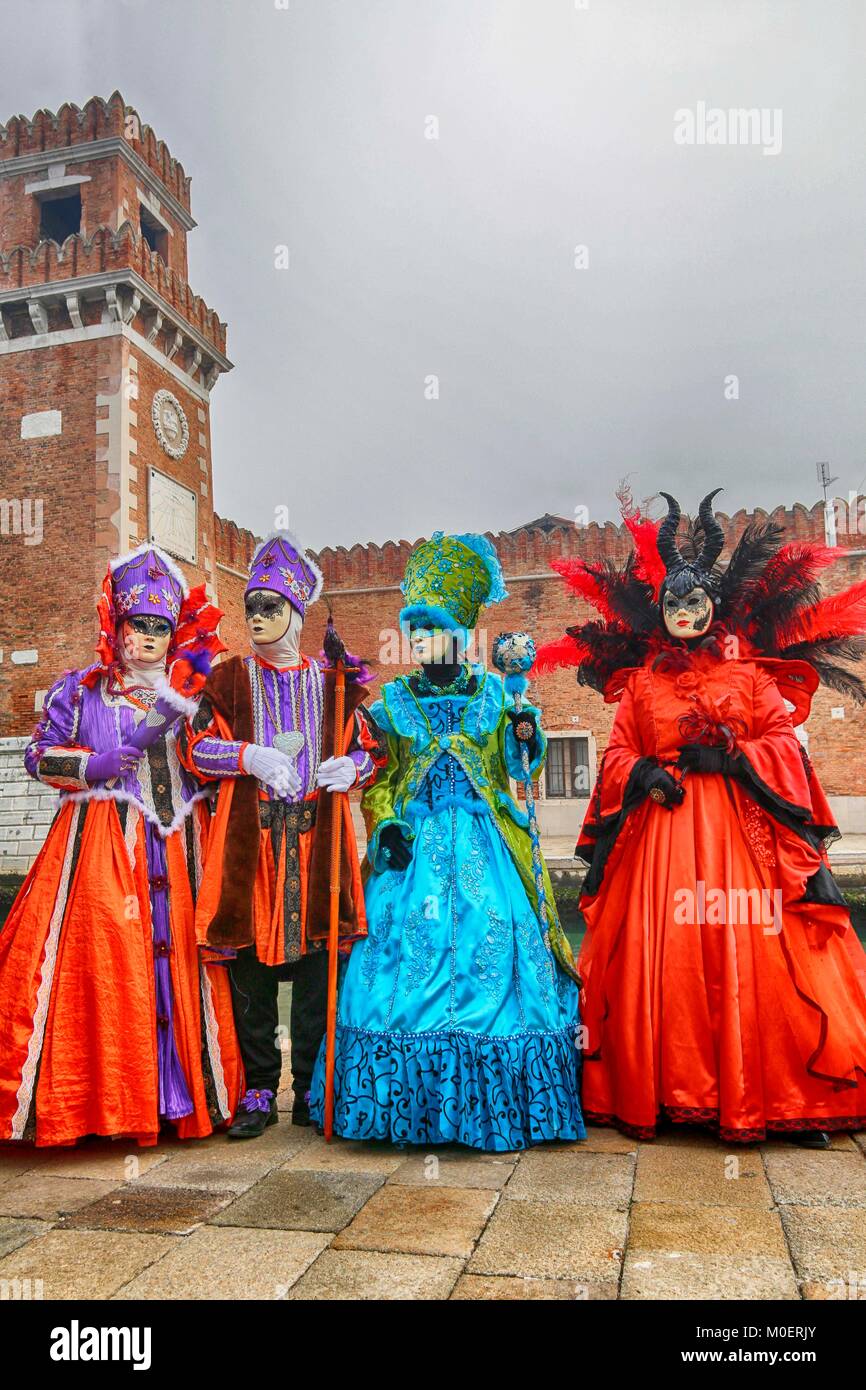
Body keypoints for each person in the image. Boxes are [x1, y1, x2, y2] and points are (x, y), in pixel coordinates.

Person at [537, 488, 866, 1146]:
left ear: (713, 608)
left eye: (695, 602)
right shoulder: (642, 685)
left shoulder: (749, 679)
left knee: (763, 958)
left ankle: (782, 1095)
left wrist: (734, 759)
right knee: (671, 964)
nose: (685, 611)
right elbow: (618, 755)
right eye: (674, 603)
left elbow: (783, 747)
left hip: (742, 840)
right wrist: (645, 774)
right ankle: (664, 1089)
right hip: (662, 841)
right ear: (660, 613)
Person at [309, 531, 585, 1151]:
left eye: (434, 626)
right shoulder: (390, 705)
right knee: (402, 956)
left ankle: (502, 1100)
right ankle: (403, 1107)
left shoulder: (494, 692)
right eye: (415, 627)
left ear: (461, 631)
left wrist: (525, 732)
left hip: (488, 847)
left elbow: (519, 769)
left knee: (495, 945)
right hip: (413, 857)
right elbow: (378, 779)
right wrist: (384, 824)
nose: (423, 639)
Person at [0, 544, 243, 1146]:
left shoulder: (191, 698)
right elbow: (36, 755)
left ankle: (177, 1099)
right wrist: (94, 763)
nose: (152, 638)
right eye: (141, 625)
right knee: (109, 969)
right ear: (118, 625)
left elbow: (205, 761)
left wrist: (244, 756)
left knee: (180, 963)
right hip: (98, 848)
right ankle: (107, 1101)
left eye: (162, 627)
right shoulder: (79, 691)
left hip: (180, 848)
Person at [181, 531, 383, 1136]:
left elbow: (372, 753)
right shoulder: (226, 681)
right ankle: (260, 1092)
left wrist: (354, 768)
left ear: (296, 613)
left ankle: (312, 1087)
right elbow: (194, 748)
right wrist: (245, 756)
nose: (260, 619)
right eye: (252, 609)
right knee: (250, 967)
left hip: (319, 845)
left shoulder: (335, 684)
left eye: (272, 608)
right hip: (250, 844)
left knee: (322, 966)